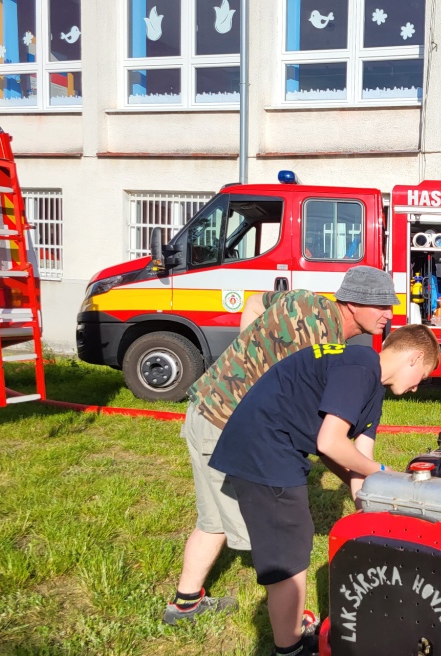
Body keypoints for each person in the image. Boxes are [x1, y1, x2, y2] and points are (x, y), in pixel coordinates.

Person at [209, 325, 441, 656]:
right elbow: (330, 443)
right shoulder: (361, 365)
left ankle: (293, 639)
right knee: (288, 551)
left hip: (276, 446)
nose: (416, 387)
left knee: (295, 542)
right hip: (262, 446)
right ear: (413, 358)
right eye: (422, 377)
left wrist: (377, 516)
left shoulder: (372, 388)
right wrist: (387, 473)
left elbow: (356, 464)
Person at [163, 267, 398, 626]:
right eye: (380, 306)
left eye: (389, 306)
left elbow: (254, 303)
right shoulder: (320, 341)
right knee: (275, 532)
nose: (388, 314)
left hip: (204, 407)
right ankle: (290, 626)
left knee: (213, 521)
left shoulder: (303, 299)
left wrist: (246, 353)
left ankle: (184, 604)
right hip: (226, 420)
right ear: (352, 304)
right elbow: (326, 440)